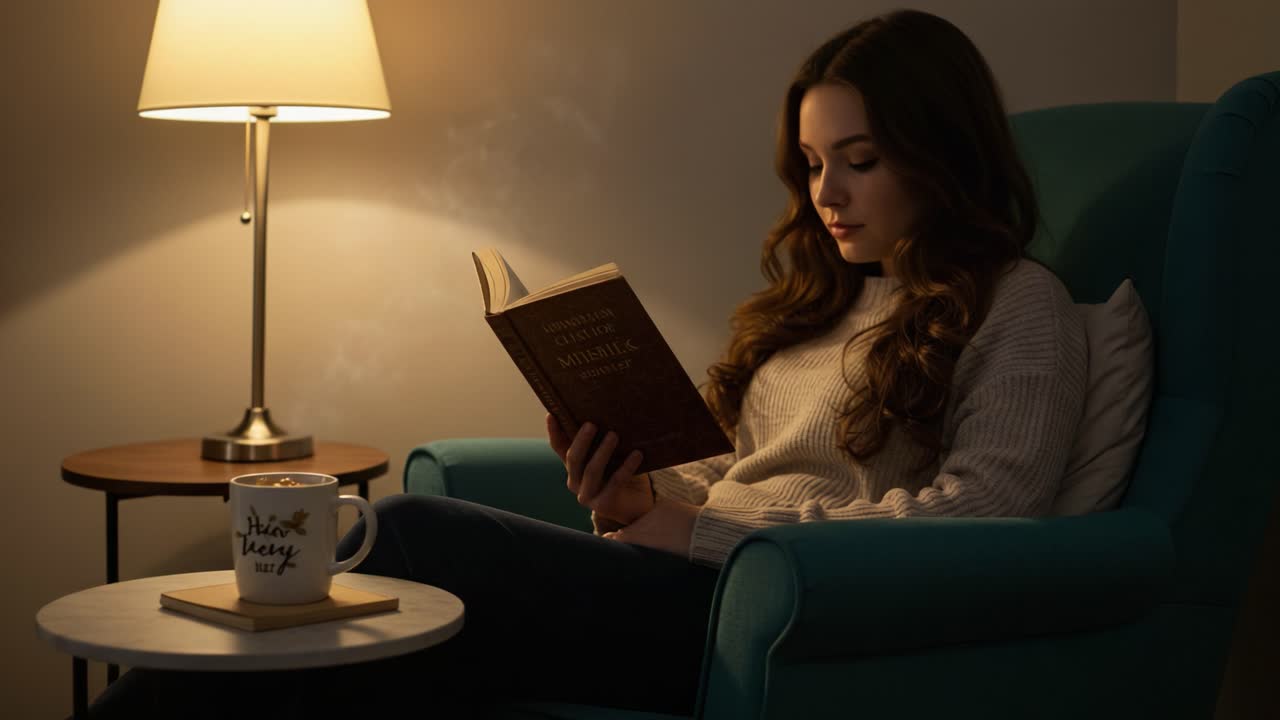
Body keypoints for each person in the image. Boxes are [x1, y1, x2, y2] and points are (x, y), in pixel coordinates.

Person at [88, 8, 1085, 718]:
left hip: (776, 612)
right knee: (374, 659)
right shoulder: (817, 300)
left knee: (420, 536)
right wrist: (629, 489)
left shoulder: (1016, 304)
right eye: (814, 163)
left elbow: (983, 513)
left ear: (939, 152)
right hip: (688, 579)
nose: (828, 194)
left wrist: (690, 532)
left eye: (859, 161)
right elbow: (720, 473)